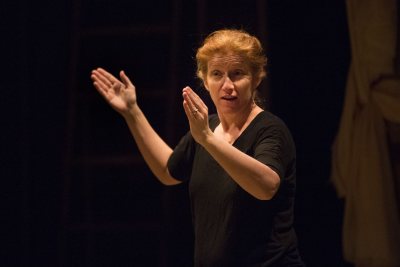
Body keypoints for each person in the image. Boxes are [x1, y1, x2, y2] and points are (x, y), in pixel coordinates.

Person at [91, 29, 304, 266]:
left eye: (237, 74)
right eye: (217, 74)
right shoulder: (207, 127)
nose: (227, 85)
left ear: (256, 78)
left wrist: (207, 139)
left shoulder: (270, 129)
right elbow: (167, 170)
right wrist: (132, 112)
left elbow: (266, 186)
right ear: (204, 80)